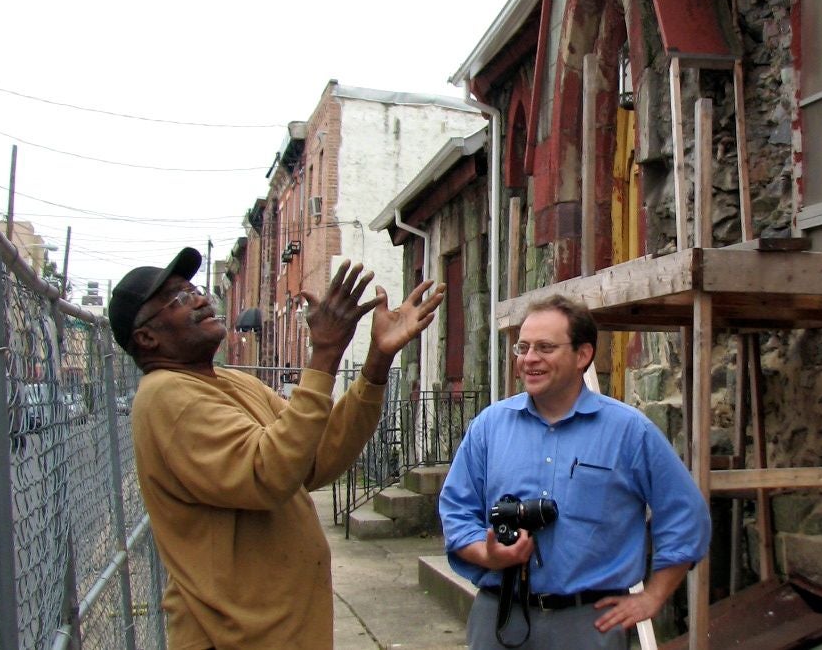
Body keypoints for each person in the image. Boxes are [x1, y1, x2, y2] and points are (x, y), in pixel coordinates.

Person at [109, 247, 443, 650]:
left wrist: (376, 360)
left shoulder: (231, 382)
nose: (200, 299)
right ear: (146, 337)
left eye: (194, 289)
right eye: (178, 299)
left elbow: (312, 458)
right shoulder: (167, 397)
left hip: (282, 633)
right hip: (234, 638)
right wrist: (324, 355)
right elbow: (269, 473)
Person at [439, 294, 711, 650]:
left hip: (587, 625)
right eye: (523, 347)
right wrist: (487, 554)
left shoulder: (628, 431)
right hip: (498, 619)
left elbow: (685, 514)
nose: (529, 359)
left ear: (583, 355)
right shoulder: (489, 427)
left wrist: (653, 597)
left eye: (545, 347)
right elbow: (456, 512)